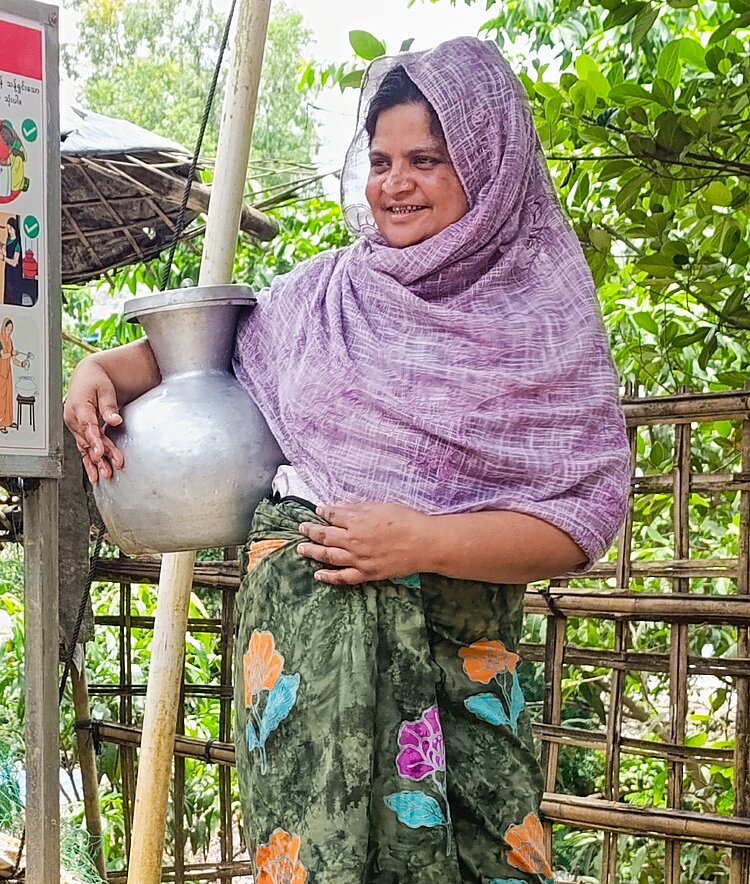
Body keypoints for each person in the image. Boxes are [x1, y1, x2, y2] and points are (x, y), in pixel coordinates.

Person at [65, 37, 630, 884]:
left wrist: (420, 544)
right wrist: (99, 369)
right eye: (380, 161)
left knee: (479, 860)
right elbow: (195, 357)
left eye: (426, 160)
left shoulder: (543, 320)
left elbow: (577, 524)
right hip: (307, 672)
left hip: (456, 666)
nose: (393, 185)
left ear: (492, 165)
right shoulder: (325, 296)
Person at [0, 318, 27, 432]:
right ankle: (1, 423)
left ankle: (7, 421)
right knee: (1, 397)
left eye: (11, 330)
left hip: (8, 372)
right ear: (4, 328)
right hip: (0, 372)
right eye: (8, 329)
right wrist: (11, 353)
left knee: (8, 397)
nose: (9, 332)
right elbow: (3, 356)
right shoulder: (0, 340)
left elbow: (13, 359)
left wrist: (22, 363)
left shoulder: (10, 341)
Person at [3, 218, 23, 306]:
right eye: (8, 229)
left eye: (10, 228)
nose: (9, 231)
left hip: (14, 273)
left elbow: (15, 262)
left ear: (14, 228)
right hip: (8, 271)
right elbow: (7, 253)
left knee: (13, 293)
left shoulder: (17, 244)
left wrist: (3, 258)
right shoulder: (8, 239)